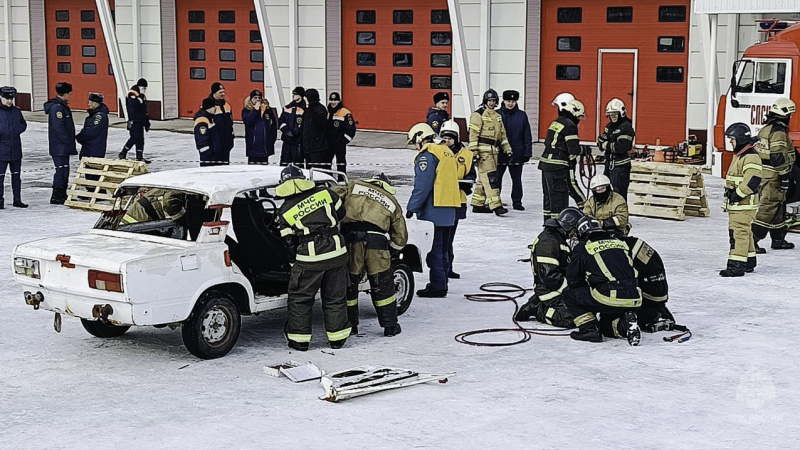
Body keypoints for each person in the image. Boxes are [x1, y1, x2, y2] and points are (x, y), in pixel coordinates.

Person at [275, 165, 351, 351]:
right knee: (335, 297)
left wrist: (294, 263)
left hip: (310, 259)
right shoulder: (326, 193)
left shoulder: (285, 210)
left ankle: (299, 341)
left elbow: (288, 242)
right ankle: (337, 339)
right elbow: (342, 214)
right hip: (336, 253)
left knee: (300, 299)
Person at [334, 173, 407, 337]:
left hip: (352, 240)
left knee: (349, 285)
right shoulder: (392, 202)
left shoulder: (353, 186)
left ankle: (351, 325)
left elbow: (331, 197)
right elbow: (401, 238)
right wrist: (390, 249)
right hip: (377, 244)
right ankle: (390, 326)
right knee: (383, 286)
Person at [560, 208, 642, 345]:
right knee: (605, 325)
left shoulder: (584, 247)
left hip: (609, 296)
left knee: (569, 294)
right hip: (634, 297)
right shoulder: (619, 243)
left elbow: (573, 279)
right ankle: (625, 325)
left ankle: (589, 329)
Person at [406, 123, 461, 297]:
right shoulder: (446, 151)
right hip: (450, 207)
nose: (415, 146)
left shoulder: (427, 155)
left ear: (419, 138)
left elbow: (423, 185)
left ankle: (438, 285)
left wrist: (412, 207)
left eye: (414, 141)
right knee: (444, 248)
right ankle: (442, 280)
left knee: (435, 249)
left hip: (434, 209)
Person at [752, 97, 796, 252]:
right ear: (786, 115)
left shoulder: (767, 128)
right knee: (768, 207)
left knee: (779, 206)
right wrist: (785, 177)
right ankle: (753, 240)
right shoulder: (778, 133)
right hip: (773, 176)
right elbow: (777, 157)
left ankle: (778, 239)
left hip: (765, 174)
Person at [515, 218, 575, 329]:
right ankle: (538, 309)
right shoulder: (548, 242)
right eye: (573, 230)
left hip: (556, 287)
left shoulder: (556, 239)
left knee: (585, 313)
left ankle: (538, 302)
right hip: (549, 289)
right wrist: (571, 289)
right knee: (571, 318)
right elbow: (549, 276)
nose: (574, 234)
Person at [721, 123, 763, 277]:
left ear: (739, 138)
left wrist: (737, 194)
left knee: (738, 233)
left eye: (732, 139)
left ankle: (736, 266)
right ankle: (749, 261)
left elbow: (753, 180)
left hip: (743, 204)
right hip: (740, 204)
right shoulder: (742, 154)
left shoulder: (750, 156)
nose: (730, 142)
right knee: (745, 232)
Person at [539, 99, 586, 221]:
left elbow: (547, 142)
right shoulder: (570, 125)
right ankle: (558, 226)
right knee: (559, 197)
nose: (579, 120)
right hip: (558, 165)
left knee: (549, 196)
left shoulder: (556, 122)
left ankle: (548, 223)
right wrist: (584, 150)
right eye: (579, 116)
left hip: (545, 164)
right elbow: (573, 149)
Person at [440, 119, 475, 279]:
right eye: (444, 138)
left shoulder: (466, 155)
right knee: (442, 238)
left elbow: (471, 174)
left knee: (449, 237)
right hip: (442, 200)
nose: (447, 141)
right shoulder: (437, 152)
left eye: (450, 138)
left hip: (458, 201)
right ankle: (442, 268)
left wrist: (466, 183)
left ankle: (448, 267)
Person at [468, 89, 512, 216]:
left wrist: (507, 148)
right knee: (491, 179)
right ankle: (496, 205)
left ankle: (477, 203)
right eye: (490, 100)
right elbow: (473, 135)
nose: (492, 103)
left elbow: (502, 135)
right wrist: (474, 152)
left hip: (494, 152)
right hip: (483, 153)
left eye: (494, 101)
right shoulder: (478, 115)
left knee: (484, 178)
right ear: (485, 101)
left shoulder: (497, 116)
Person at [621, 235, 675, 329]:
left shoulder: (618, 248)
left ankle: (648, 315)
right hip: (658, 291)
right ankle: (658, 313)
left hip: (648, 294)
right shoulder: (634, 242)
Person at [497, 90, 533, 211]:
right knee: (497, 179)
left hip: (517, 152)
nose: (510, 104)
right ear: (504, 101)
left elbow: (527, 135)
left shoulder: (522, 116)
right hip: (499, 153)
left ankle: (517, 202)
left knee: (516, 180)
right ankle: (496, 201)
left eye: (513, 101)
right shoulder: (497, 115)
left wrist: (527, 152)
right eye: (508, 101)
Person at [552, 92, 587, 208]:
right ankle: (586, 207)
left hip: (564, 161)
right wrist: (583, 150)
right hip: (564, 161)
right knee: (570, 186)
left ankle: (586, 208)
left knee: (570, 185)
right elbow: (572, 147)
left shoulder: (562, 122)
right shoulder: (568, 123)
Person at [44, 82, 76, 205]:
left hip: (62, 145)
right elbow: (59, 128)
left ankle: (62, 192)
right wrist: (67, 141)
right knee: (61, 170)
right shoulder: (58, 108)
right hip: (59, 146)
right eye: (69, 94)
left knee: (65, 170)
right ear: (66, 94)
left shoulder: (61, 106)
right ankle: (57, 194)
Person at [597, 98, 635, 199]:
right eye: (610, 114)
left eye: (615, 114)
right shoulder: (609, 126)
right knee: (604, 192)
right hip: (608, 164)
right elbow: (601, 140)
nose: (612, 116)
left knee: (619, 196)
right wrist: (603, 142)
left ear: (621, 113)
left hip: (620, 167)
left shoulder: (626, 127)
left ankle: (621, 214)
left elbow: (622, 147)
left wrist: (606, 145)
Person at [0, 86, 27, 209]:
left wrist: (16, 130)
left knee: (16, 176)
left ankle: (17, 199)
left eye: (11, 99)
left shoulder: (16, 111)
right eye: (7, 98)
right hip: (1, 151)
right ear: (1, 98)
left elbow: (23, 124)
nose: (9, 101)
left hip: (15, 149)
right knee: (0, 178)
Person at [242, 89, 278, 165]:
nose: (258, 100)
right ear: (251, 99)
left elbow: (273, 125)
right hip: (253, 147)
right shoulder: (247, 110)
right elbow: (248, 121)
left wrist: (272, 139)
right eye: (255, 98)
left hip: (265, 147)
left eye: (259, 98)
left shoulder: (267, 110)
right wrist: (255, 110)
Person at [119, 78, 151, 163]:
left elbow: (144, 111)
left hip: (140, 121)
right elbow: (134, 105)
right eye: (143, 88)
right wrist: (140, 98)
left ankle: (139, 156)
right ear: (139, 87)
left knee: (140, 139)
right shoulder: (132, 94)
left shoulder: (141, 96)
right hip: (134, 121)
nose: (144, 90)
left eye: (145, 89)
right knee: (134, 138)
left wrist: (146, 122)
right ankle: (123, 152)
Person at [326, 92, 356, 175]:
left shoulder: (345, 112)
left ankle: (341, 180)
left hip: (339, 143)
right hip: (328, 143)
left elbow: (351, 130)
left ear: (339, 101)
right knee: (327, 163)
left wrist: (343, 141)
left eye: (335, 100)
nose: (333, 102)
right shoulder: (327, 111)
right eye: (331, 100)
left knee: (341, 163)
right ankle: (328, 179)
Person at [121, 188, 187, 225]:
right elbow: (168, 202)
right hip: (144, 214)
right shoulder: (178, 189)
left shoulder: (168, 185)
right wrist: (181, 219)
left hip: (137, 210)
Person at [76, 93, 110, 160]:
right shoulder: (93, 115)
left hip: (94, 150)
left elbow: (91, 131)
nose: (88, 104)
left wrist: (80, 137)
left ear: (95, 103)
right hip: (89, 148)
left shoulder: (99, 116)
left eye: (90, 102)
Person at [301, 88, 328, 169]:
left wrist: (311, 110)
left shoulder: (320, 109)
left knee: (317, 168)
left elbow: (321, 125)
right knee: (308, 168)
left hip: (317, 146)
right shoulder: (306, 110)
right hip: (307, 145)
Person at [207, 82, 234, 164]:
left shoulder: (227, 105)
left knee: (225, 165)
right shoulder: (208, 105)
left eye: (224, 92)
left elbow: (230, 123)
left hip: (226, 143)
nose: (223, 94)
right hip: (214, 143)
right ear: (214, 93)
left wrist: (231, 138)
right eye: (220, 92)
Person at [279, 86, 306, 166]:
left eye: (295, 94)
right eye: (293, 93)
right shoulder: (287, 107)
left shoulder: (304, 108)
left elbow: (305, 124)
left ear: (300, 96)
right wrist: (286, 130)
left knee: (298, 165)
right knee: (284, 163)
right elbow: (281, 120)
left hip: (298, 142)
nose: (293, 95)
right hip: (287, 140)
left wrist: (297, 133)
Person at [194, 98, 223, 167]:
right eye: (214, 106)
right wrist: (209, 153)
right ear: (209, 107)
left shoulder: (209, 118)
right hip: (208, 156)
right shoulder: (202, 120)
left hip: (213, 154)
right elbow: (202, 140)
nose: (216, 108)